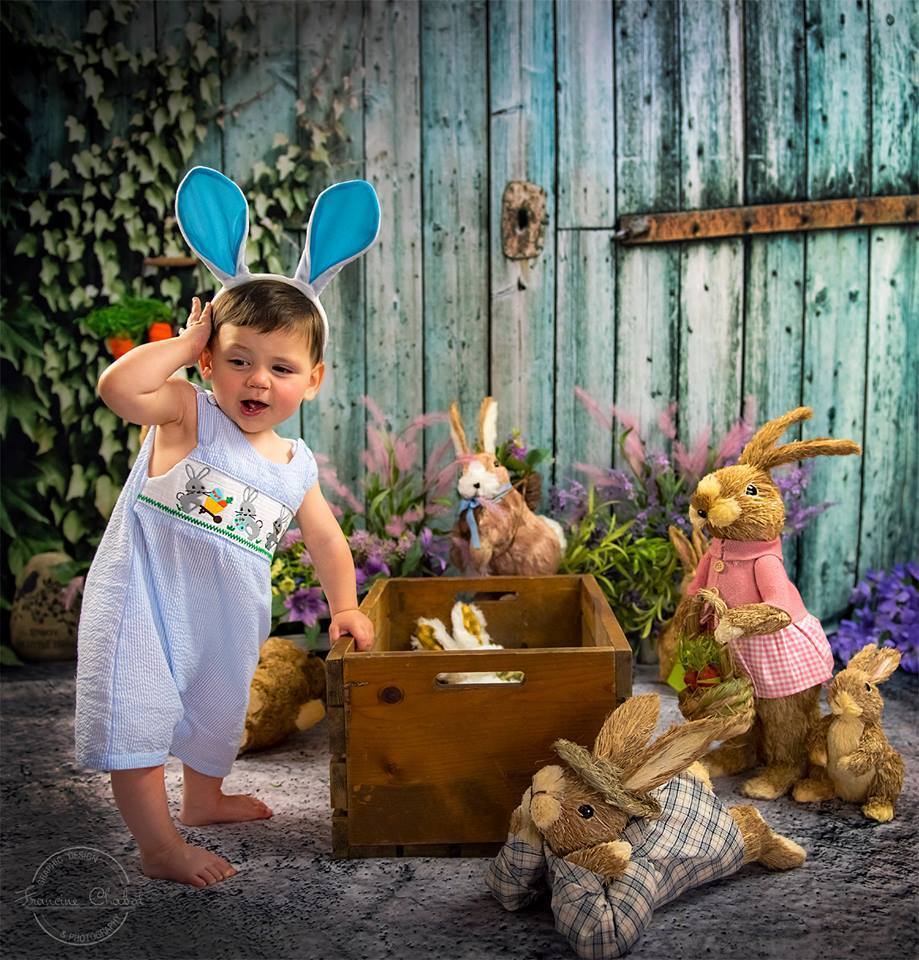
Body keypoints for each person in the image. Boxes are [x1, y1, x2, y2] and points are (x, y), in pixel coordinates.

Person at [76, 167, 380, 887]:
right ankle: (159, 846)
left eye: (281, 367)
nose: (257, 380)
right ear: (210, 360)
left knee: (217, 711)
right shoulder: (187, 413)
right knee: (137, 719)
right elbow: (118, 388)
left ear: (313, 379)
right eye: (237, 360)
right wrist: (184, 347)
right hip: (144, 609)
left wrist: (344, 605)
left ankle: (204, 798)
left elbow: (326, 539)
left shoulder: (294, 464)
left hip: (224, 620)